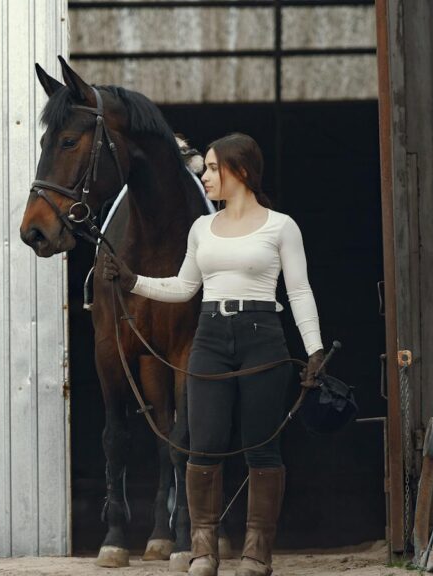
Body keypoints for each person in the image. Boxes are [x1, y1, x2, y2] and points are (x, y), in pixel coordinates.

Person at [102, 133, 325, 576]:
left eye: (211, 168)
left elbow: (298, 291)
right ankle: (204, 551)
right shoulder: (201, 228)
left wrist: (314, 349)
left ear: (239, 171)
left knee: (262, 448)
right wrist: (133, 282)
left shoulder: (281, 226)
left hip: (263, 334)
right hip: (210, 335)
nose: (203, 176)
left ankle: (257, 553)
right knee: (201, 445)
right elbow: (184, 287)